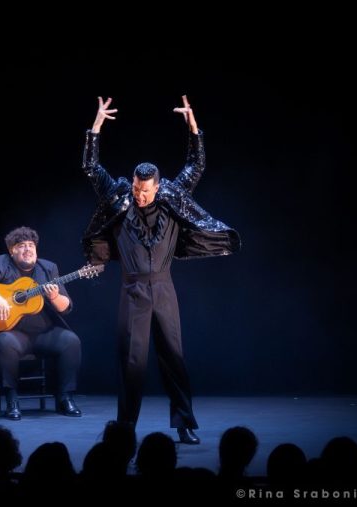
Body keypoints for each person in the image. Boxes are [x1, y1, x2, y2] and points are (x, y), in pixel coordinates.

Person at [81, 96, 241, 444]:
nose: (140, 195)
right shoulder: (119, 197)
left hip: (164, 288)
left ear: (157, 186)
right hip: (133, 289)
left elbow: (195, 167)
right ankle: (125, 429)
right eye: (137, 190)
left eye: (145, 191)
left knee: (174, 357)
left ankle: (184, 423)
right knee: (131, 362)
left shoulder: (171, 196)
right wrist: (95, 127)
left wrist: (194, 128)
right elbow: (92, 169)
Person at [0, 226, 83, 420]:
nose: (28, 249)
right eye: (21, 246)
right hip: (13, 334)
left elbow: (67, 307)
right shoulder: (2, 263)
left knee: (71, 341)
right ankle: (12, 401)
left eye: (31, 245)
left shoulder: (48, 268)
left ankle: (65, 398)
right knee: (3, 343)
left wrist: (54, 297)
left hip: (45, 334)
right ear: (12, 250)